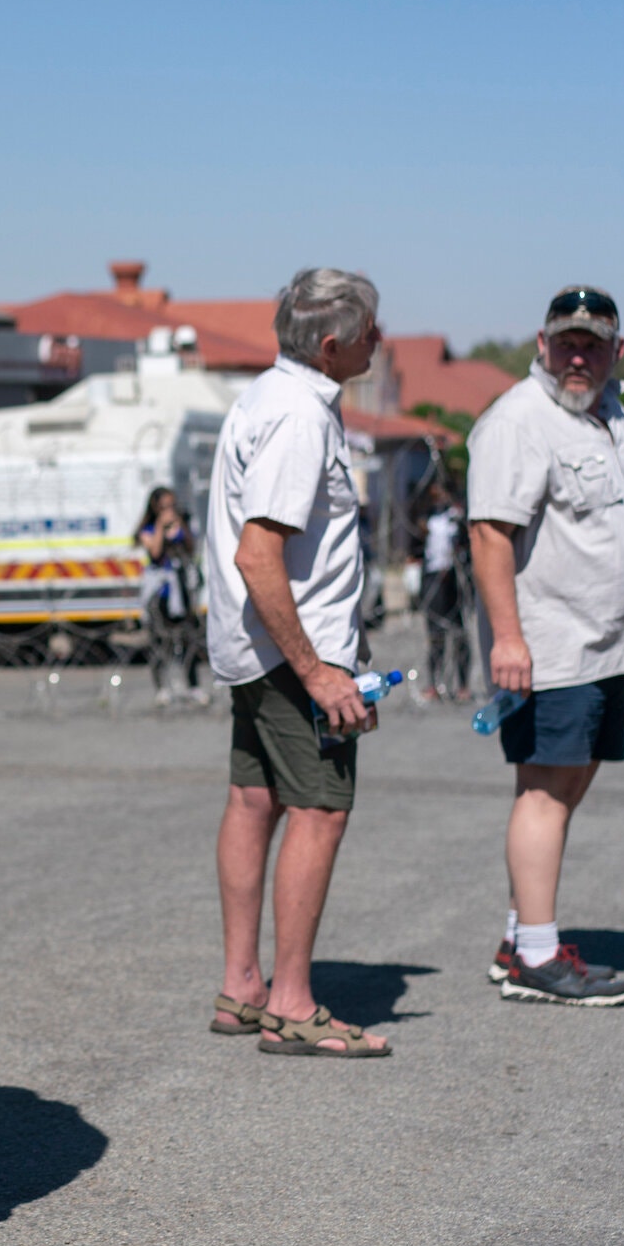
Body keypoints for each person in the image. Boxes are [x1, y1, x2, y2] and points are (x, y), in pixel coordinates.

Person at [203, 268, 390, 1057]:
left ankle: (243, 985)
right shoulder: (299, 416)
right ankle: (291, 1001)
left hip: (259, 645)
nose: (382, 340)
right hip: (290, 652)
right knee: (318, 808)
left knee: (254, 800)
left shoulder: (265, 398)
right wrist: (318, 669)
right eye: (373, 330)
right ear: (333, 343)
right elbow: (260, 553)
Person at [467, 285, 624, 1007]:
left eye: (593, 343)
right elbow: (490, 533)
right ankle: (537, 958)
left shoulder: (608, 415)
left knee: (566, 784)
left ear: (616, 351)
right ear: (542, 344)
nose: (578, 355)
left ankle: (524, 936)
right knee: (546, 790)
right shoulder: (520, 420)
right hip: (551, 645)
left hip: (606, 643)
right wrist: (509, 638)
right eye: (567, 341)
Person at [136, 486, 207, 704]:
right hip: (160, 591)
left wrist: (179, 524)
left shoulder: (182, 524)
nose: (168, 510)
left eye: (171, 505)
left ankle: (193, 685)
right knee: (160, 639)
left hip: (182, 587)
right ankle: (162, 687)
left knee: (187, 636)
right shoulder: (148, 529)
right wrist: (160, 525)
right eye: (163, 506)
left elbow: (191, 547)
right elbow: (155, 552)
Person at [415, 479, 472, 700]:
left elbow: (467, 541)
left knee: (459, 632)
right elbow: (417, 546)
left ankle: (462, 684)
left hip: (454, 580)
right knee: (435, 632)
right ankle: (435, 682)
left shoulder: (456, 517)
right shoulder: (427, 517)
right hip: (432, 578)